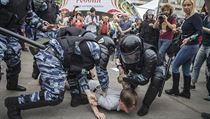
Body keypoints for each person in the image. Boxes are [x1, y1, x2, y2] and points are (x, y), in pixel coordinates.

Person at [4, 35, 102, 119]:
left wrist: (88, 93)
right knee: (55, 96)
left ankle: (76, 98)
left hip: (60, 57)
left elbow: (79, 72)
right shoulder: (94, 50)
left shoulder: (91, 48)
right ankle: (14, 103)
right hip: (50, 57)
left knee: (73, 72)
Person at [0, 0, 54, 91]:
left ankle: (12, 85)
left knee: (15, 61)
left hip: (12, 33)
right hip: (1, 31)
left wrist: (42, 26)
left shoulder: (27, 2)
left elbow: (29, 16)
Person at [116, 35, 166, 116]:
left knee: (157, 79)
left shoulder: (150, 54)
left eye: (131, 56)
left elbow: (144, 79)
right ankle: (130, 94)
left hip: (156, 66)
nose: (129, 58)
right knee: (130, 79)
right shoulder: (125, 52)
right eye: (127, 56)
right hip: (139, 65)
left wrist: (126, 77)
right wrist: (120, 69)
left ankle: (146, 105)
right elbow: (119, 62)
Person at [165, 0, 202, 99]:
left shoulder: (196, 16)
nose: (186, 7)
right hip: (190, 45)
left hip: (190, 45)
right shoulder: (188, 16)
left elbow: (199, 31)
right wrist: (179, 30)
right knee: (186, 69)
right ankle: (186, 92)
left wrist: (189, 38)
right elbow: (188, 30)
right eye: (184, 5)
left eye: (188, 5)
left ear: (193, 5)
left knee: (175, 66)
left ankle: (175, 89)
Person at [191, 4, 210, 89]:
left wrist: (202, 28)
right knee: (196, 64)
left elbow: (202, 28)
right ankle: (192, 83)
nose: (206, 8)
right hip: (203, 45)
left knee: (208, 69)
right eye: (205, 6)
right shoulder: (205, 17)